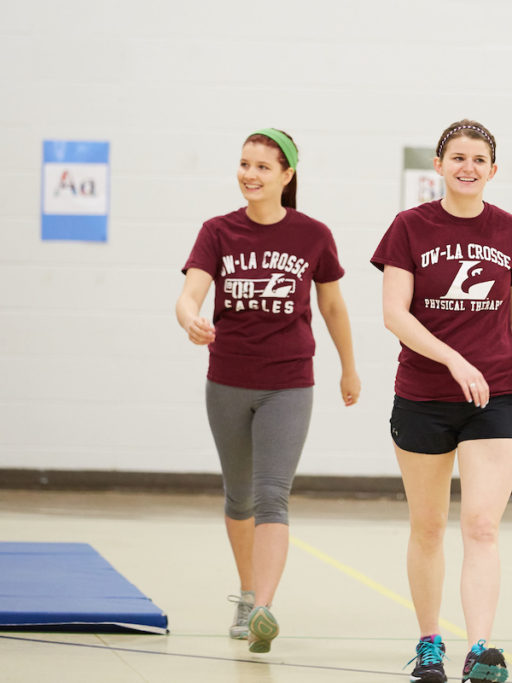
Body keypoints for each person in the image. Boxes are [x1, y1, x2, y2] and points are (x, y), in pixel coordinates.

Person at [372, 119, 512, 683]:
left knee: (481, 526)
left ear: (492, 170)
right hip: (423, 396)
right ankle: (430, 642)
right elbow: (394, 314)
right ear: (440, 164)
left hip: (494, 397)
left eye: (479, 159)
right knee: (428, 527)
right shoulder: (409, 227)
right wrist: (453, 358)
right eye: (458, 157)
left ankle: (480, 649)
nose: (468, 167)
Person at [175, 128, 360, 654]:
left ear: (286, 175)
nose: (249, 175)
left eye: (261, 166)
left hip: (289, 383)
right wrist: (190, 320)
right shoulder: (217, 231)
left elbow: (332, 307)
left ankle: (263, 609)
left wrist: (349, 367)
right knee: (240, 496)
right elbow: (189, 294)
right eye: (243, 164)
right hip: (228, 380)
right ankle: (248, 589)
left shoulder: (313, 235)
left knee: (273, 495)